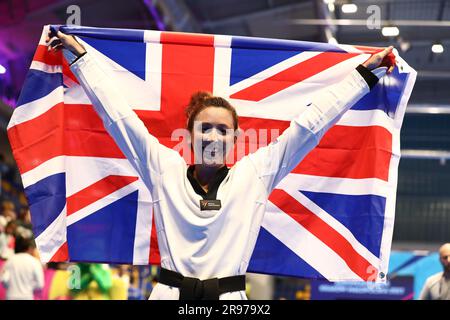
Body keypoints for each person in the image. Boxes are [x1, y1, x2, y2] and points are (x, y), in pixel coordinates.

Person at [46, 29, 394, 300]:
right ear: (189, 135)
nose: (213, 137)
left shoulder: (255, 174)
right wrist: (81, 60)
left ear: (235, 138)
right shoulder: (162, 168)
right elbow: (118, 118)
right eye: (205, 128)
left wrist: (364, 74)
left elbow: (309, 126)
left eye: (223, 130)